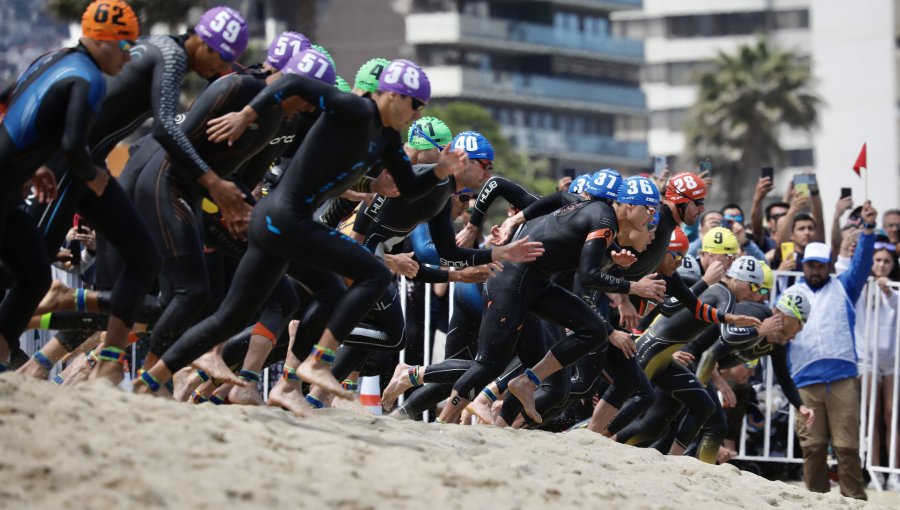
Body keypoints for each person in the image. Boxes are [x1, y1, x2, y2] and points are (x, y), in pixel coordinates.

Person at [134, 59, 470, 401]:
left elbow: (410, 187)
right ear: (394, 96)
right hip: (286, 220)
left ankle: (149, 380)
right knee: (372, 274)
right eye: (416, 105)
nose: (415, 115)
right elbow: (293, 83)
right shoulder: (353, 108)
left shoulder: (385, 137)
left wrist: (440, 171)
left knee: (235, 316)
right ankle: (314, 366)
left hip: (276, 223)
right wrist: (246, 115)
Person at [0, 0, 138, 371]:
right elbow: (74, 146)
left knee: (32, 277)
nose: (128, 58)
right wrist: (94, 177)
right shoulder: (89, 78)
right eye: (126, 46)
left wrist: (29, 164)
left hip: (10, 191)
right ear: (103, 41)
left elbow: (6, 106)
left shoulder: (51, 59)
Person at [788, 201, 877, 500]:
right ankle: (816, 502)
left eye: (821, 264)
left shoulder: (845, 286)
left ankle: (855, 502)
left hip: (842, 379)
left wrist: (868, 230)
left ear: (828, 265)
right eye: (811, 264)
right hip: (805, 380)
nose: (815, 269)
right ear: (804, 264)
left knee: (847, 447)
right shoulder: (789, 294)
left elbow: (863, 264)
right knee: (812, 449)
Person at [856, 236, 900, 490]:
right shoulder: (862, 284)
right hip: (867, 359)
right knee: (871, 413)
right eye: (878, 260)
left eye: (887, 261)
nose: (882, 265)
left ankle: (893, 471)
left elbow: (896, 306)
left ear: (893, 264)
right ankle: (874, 472)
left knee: (892, 414)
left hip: (892, 360)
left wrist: (888, 291)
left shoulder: (895, 288)